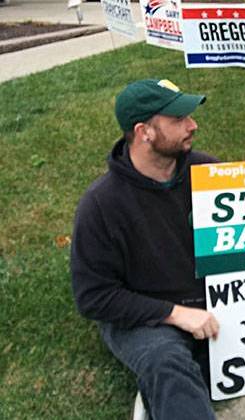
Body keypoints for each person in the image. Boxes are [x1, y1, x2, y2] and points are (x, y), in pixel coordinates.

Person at [71, 79, 220, 419]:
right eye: (179, 119)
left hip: (214, 302)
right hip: (146, 317)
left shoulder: (210, 172)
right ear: (144, 131)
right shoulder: (100, 205)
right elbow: (94, 297)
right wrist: (175, 313)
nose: (193, 125)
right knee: (165, 361)